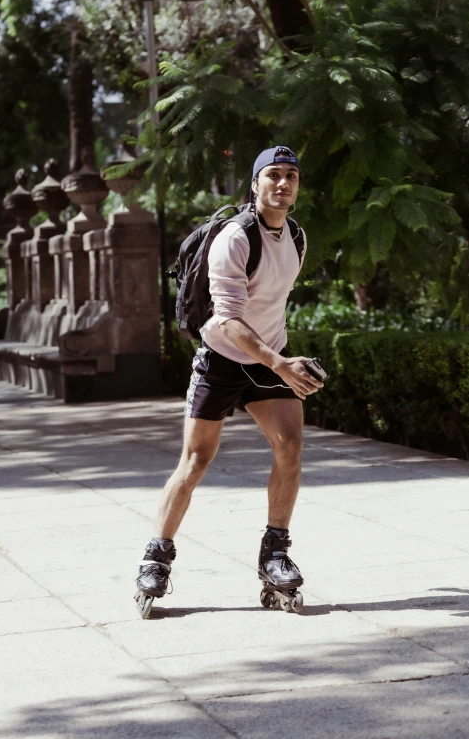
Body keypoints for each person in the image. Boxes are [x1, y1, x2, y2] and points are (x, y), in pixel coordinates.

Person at [135, 146, 323, 615]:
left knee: (291, 448)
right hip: (222, 358)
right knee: (196, 461)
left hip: (269, 359)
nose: (283, 184)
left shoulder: (297, 237)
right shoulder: (235, 238)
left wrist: (277, 362)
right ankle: (156, 557)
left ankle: (275, 552)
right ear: (255, 184)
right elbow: (229, 321)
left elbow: (271, 305)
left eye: (292, 176)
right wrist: (279, 362)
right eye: (274, 175)